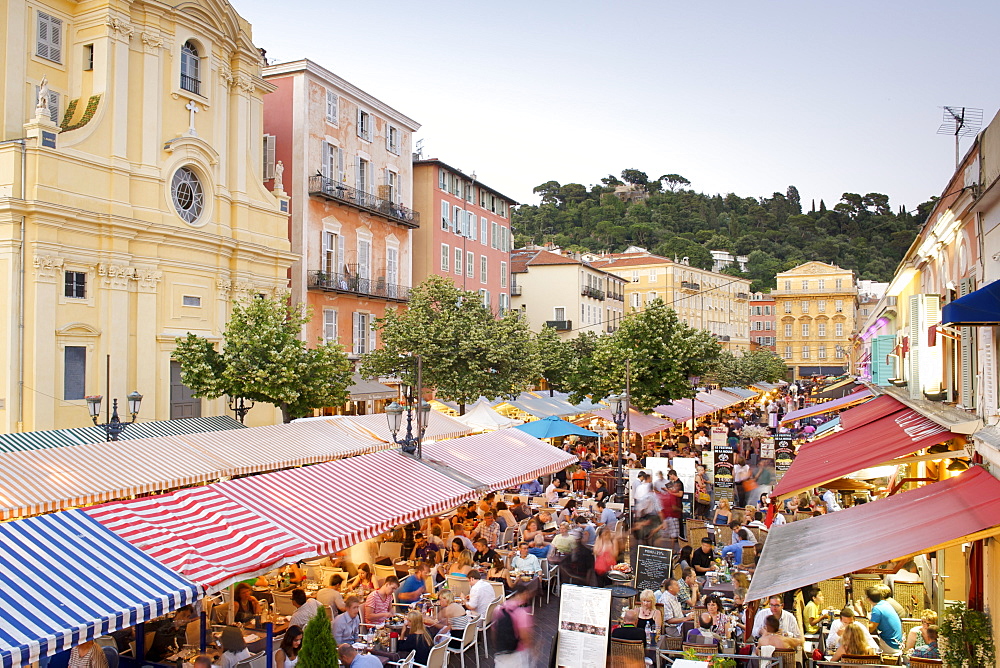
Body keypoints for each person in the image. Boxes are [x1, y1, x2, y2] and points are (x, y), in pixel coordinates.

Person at [493, 582, 534, 668]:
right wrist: (531, 648)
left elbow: (494, 631)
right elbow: (524, 636)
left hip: (501, 653)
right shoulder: (521, 612)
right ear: (523, 594)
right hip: (517, 654)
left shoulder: (499, 608)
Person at [859, 585, 902, 653]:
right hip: (897, 642)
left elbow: (870, 629)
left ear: (868, 599)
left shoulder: (877, 609)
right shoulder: (885, 603)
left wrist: (860, 611)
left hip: (890, 645)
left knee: (860, 643)